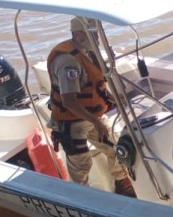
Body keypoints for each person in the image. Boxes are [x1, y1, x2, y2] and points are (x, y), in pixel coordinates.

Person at [47, 17, 135, 196]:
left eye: (96, 33)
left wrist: (113, 98)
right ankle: (82, 195)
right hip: (72, 121)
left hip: (93, 116)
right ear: (78, 35)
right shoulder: (68, 62)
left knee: (116, 148)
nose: (96, 37)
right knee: (81, 163)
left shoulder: (89, 52)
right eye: (92, 34)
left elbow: (95, 83)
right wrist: (96, 122)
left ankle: (122, 184)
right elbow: (69, 101)